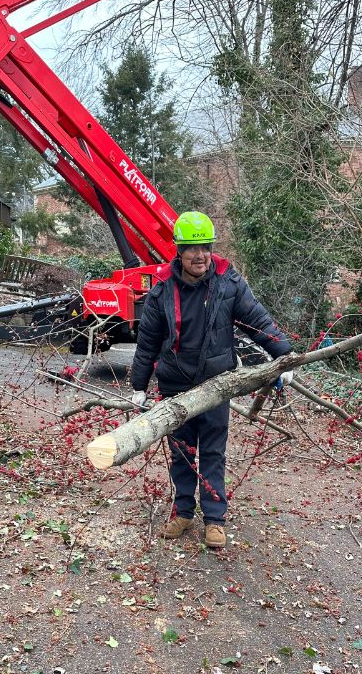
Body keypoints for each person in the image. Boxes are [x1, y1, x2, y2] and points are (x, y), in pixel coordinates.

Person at [130, 211, 293, 548]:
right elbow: (147, 343)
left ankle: (215, 518)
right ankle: (183, 512)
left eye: (205, 246)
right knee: (182, 452)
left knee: (214, 452)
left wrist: (282, 355)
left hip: (217, 384)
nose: (200, 255)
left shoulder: (227, 284)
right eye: (192, 248)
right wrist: (138, 386)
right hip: (175, 387)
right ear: (178, 251)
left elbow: (256, 319)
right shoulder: (162, 291)